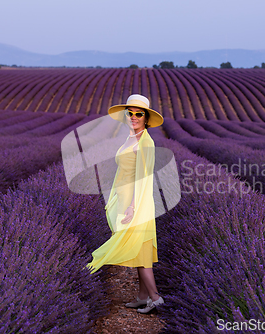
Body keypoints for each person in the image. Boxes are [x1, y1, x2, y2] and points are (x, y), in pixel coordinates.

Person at [85, 94, 165, 314]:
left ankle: (156, 298)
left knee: (141, 253)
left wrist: (132, 207)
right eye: (130, 113)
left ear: (146, 118)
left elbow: (143, 178)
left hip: (136, 203)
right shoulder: (131, 138)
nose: (134, 117)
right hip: (125, 200)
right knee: (140, 252)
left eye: (139, 113)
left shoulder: (145, 142)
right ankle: (142, 297)